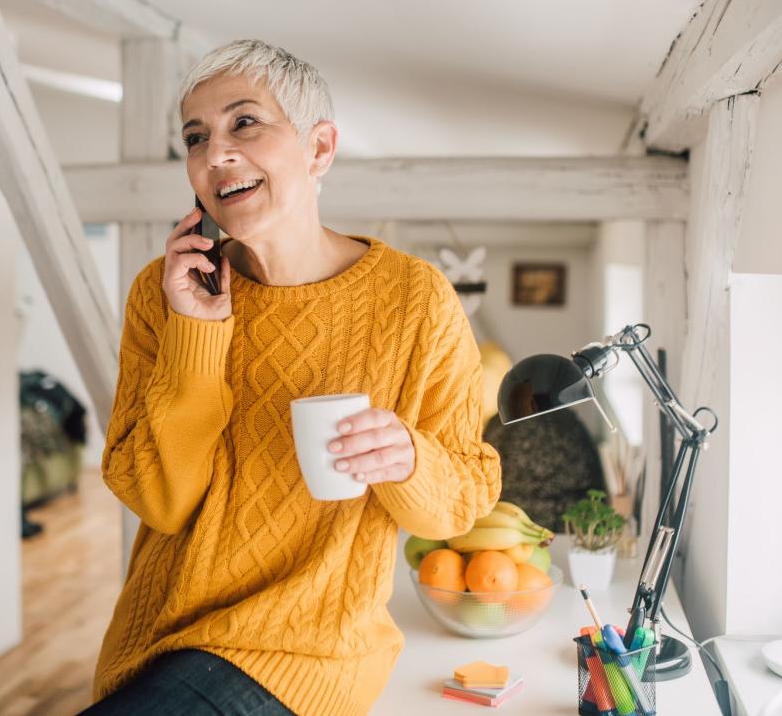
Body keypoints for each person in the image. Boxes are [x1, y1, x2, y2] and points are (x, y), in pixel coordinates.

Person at [80, 39, 502, 716]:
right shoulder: (162, 293)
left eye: (244, 122)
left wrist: (407, 459)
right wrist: (195, 331)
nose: (216, 153)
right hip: (158, 643)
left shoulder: (415, 299)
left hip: (307, 655)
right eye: (195, 137)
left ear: (319, 148)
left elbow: (461, 498)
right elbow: (157, 501)